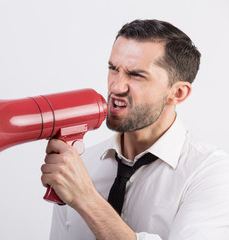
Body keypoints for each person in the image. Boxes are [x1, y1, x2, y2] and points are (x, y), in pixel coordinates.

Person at [40, 19, 229, 240]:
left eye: (136, 75)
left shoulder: (211, 174)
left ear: (177, 93)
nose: (116, 87)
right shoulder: (81, 166)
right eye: (113, 69)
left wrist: (85, 198)